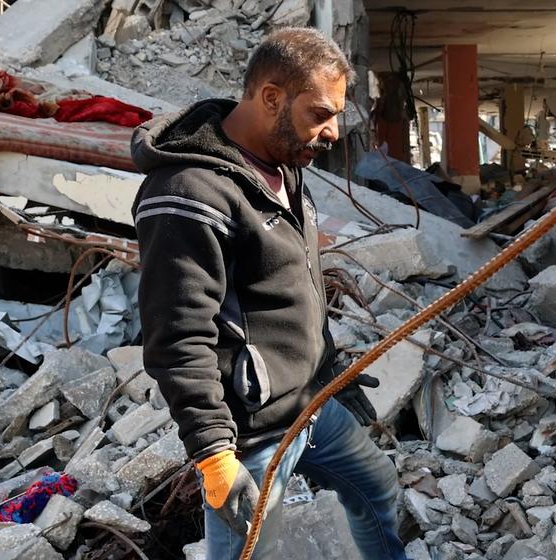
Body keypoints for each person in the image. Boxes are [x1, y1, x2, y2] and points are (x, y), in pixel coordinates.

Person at [130, 28, 407, 560]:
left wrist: (332, 378)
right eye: (320, 114)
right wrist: (213, 455)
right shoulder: (188, 193)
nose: (330, 133)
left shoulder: (281, 166)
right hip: (250, 436)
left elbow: (294, 292)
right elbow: (176, 337)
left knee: (377, 489)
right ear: (271, 97)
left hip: (310, 407)